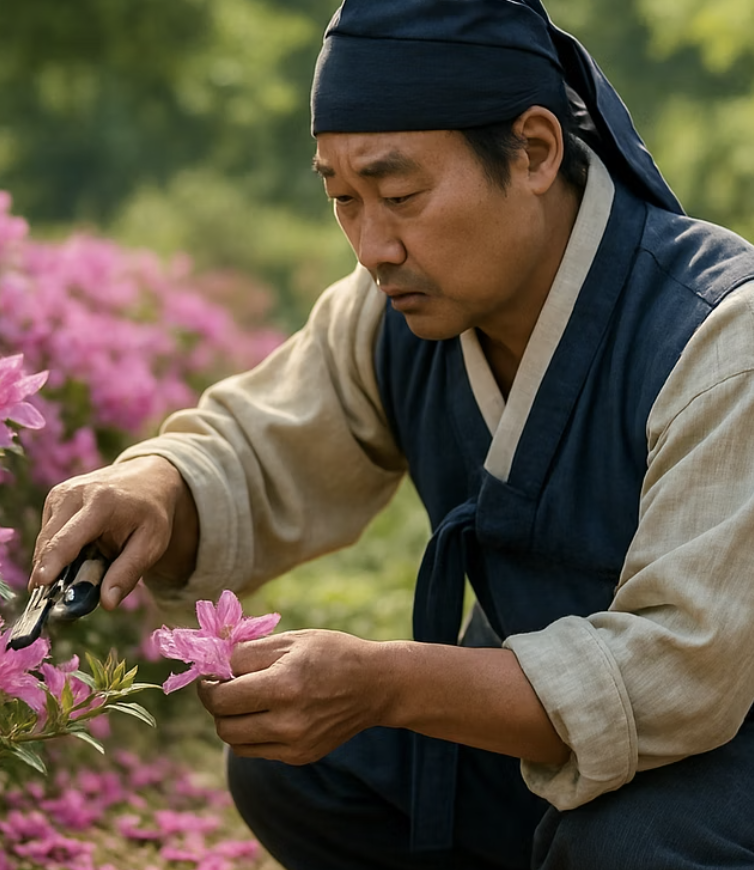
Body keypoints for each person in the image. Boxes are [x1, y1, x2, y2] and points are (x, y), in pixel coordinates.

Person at [30, 0, 754, 867]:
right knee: (308, 765)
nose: (373, 247)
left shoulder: (720, 334)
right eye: (343, 199)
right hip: (549, 736)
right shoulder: (395, 315)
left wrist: (388, 683)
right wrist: (155, 487)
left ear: (533, 150)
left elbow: (682, 673)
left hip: (725, 755)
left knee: (625, 848)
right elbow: (261, 449)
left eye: (401, 195)